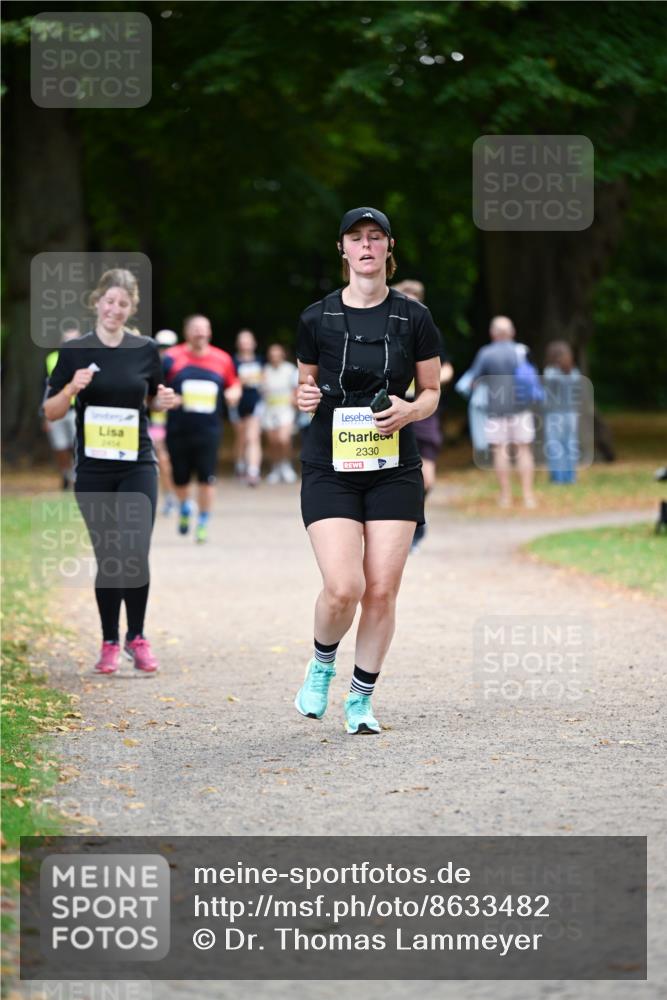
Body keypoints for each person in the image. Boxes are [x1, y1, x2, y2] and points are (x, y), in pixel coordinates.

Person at [294, 207, 442, 734]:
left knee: (381, 589)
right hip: (329, 465)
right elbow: (304, 390)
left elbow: (430, 392)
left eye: (374, 238)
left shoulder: (414, 317)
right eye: (355, 238)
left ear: (388, 248)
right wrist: (304, 395)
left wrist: (410, 410)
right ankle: (321, 663)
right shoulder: (317, 318)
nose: (365, 246)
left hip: (392, 467)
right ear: (342, 249)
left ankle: (360, 700)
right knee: (343, 586)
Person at [43, 268, 177, 675]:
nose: (114, 309)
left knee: (134, 551)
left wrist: (164, 400)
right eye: (109, 301)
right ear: (97, 302)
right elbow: (50, 412)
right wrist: (71, 388)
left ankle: (137, 637)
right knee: (109, 556)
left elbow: (152, 398)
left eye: (123, 303)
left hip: (137, 463)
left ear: (131, 307)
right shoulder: (75, 352)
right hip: (94, 470)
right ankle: (108, 641)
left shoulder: (145, 349)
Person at [162, 314, 241, 543]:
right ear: (187, 332)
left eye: (204, 328)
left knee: (207, 478)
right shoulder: (171, 357)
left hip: (209, 429)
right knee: (180, 478)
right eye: (196, 329)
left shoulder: (222, 359)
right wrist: (168, 397)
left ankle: (203, 522)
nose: (200, 333)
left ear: (210, 332)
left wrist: (234, 393)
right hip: (178, 427)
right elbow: (157, 386)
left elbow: (233, 383)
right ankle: (185, 507)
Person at [392, 280, 454, 551]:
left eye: (416, 297)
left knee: (426, 479)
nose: (412, 301)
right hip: (389, 409)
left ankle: (416, 520)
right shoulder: (383, 329)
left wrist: (431, 381)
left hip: (423, 411)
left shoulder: (429, 331)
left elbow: (447, 367)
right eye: (406, 296)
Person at [467, 316, 539, 509]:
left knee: (500, 451)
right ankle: (527, 496)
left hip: (496, 409)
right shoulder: (522, 351)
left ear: (493, 333)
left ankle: (505, 497)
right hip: (522, 407)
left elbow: (473, 382)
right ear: (512, 332)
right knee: (524, 450)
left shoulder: (486, 353)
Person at [43, 322, 80, 489]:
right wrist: (44, 413)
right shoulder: (51, 359)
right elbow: (44, 387)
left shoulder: (86, 357)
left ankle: (78, 475)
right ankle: (65, 474)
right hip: (57, 407)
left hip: (77, 409)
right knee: (59, 445)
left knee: (77, 443)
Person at [149, 329, 179, 513]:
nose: (164, 351)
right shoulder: (151, 368)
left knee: (176, 460)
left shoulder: (179, 368)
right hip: (157, 421)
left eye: (168, 347)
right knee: (163, 458)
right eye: (161, 347)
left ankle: (178, 494)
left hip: (178, 422)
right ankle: (169, 497)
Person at [543, 340, 581, 484]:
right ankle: (571, 477)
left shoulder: (550, 373)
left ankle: (557, 478)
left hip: (554, 415)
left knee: (555, 445)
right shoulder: (575, 372)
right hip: (571, 414)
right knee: (570, 445)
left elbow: (546, 395)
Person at [262, 343, 298, 484]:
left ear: (283, 354)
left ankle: (285, 465)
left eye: (277, 354)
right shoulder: (265, 370)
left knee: (284, 439)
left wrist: (294, 400)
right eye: (272, 354)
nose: (275, 357)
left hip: (286, 410)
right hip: (270, 410)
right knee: (273, 441)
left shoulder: (290, 370)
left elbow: (297, 387)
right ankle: (276, 467)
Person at [232, 329, 263, 487]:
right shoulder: (232, 362)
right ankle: (240, 464)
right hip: (237, 404)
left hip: (255, 402)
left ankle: (253, 471)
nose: (245, 344)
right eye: (242, 340)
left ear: (254, 343)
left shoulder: (260, 361)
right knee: (241, 438)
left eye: (248, 340)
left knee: (253, 436)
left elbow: (264, 381)